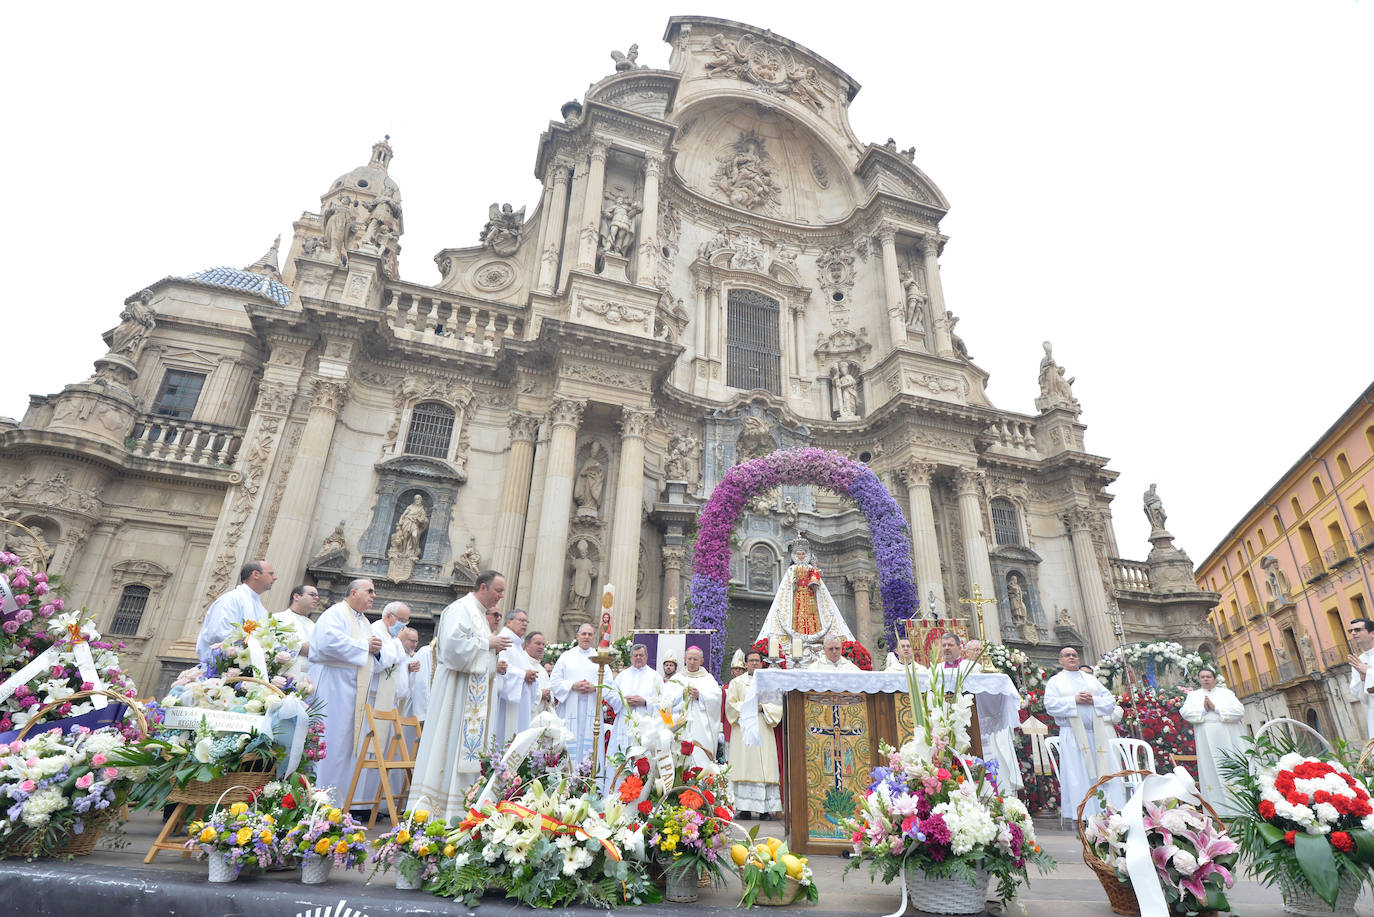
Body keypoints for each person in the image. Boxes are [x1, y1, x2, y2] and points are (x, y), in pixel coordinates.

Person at [411, 570, 511, 819]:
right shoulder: (461, 608)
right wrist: (488, 644)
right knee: (447, 746)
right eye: (498, 590)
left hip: (469, 694)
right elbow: (452, 648)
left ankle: (460, 808)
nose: (500, 596)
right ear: (484, 587)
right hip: (454, 695)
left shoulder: (477, 613)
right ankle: (437, 811)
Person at [307, 579, 383, 799]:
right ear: (353, 592)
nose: (373, 595)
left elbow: (373, 657)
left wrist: (375, 651)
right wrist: (365, 646)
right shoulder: (336, 613)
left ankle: (334, 802)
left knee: (344, 747)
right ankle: (316, 798)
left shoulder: (365, 622)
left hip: (353, 694)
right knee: (326, 741)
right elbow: (326, 644)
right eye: (370, 591)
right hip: (333, 687)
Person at [1045, 646, 1122, 820]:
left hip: (1097, 735)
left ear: (1078, 659)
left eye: (1074, 655)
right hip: (1072, 736)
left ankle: (1109, 810)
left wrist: (1093, 699)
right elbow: (1050, 706)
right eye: (1067, 655)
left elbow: (1110, 702)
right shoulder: (1055, 681)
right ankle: (1084, 813)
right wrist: (1074, 700)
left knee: (1104, 771)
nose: (1071, 657)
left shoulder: (1091, 680)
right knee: (1078, 774)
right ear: (1061, 660)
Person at [756, 538, 853, 656]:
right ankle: (796, 640)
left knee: (812, 617)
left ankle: (815, 638)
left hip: (811, 597)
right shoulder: (792, 569)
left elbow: (817, 581)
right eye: (799, 554)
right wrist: (794, 584)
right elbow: (786, 587)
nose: (801, 556)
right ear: (794, 555)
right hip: (796, 597)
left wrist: (814, 580)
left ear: (806, 555)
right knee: (797, 616)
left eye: (803, 554)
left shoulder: (811, 569)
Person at [1180, 667, 1245, 815]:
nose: (1205, 679)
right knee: (1210, 771)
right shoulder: (1193, 696)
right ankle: (1218, 810)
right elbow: (1184, 712)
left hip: (1228, 737)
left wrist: (1216, 709)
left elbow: (1239, 711)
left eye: (1208, 676)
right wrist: (1203, 710)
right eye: (1202, 677)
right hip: (1205, 740)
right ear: (1199, 679)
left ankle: (1240, 808)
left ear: (1214, 679)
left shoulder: (1226, 693)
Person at [726, 650, 782, 820]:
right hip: (744, 729)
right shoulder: (736, 683)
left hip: (763, 727)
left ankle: (765, 810)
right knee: (743, 766)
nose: (754, 663)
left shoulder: (769, 683)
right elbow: (730, 705)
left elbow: (777, 706)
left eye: (757, 660)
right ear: (745, 664)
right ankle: (744, 809)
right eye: (751, 661)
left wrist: (763, 708)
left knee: (764, 766)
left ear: (761, 662)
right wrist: (750, 706)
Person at [961, 638, 1021, 795]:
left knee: (998, 756)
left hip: (991, 722)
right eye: (975, 650)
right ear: (966, 653)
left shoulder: (990, 671)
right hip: (972, 722)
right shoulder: (963, 669)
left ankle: (1002, 790)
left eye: (982, 650)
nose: (979, 653)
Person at [197, 561, 277, 661]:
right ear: (256, 574)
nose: (275, 578)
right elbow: (217, 633)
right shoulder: (231, 599)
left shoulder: (260, 608)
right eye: (271, 574)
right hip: (221, 667)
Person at [605, 644, 663, 769]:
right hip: (624, 723)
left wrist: (645, 702)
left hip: (645, 725)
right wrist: (624, 700)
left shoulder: (655, 676)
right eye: (635, 655)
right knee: (621, 755)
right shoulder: (622, 676)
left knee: (643, 757)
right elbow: (611, 695)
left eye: (641, 655)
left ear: (646, 656)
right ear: (631, 658)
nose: (638, 658)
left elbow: (662, 701)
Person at [550, 623, 600, 768]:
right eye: (584, 634)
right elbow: (555, 681)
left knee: (588, 746)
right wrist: (572, 685)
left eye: (590, 634)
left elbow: (609, 684)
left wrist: (594, 687)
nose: (586, 637)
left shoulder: (599, 658)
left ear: (593, 637)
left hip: (591, 709)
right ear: (577, 636)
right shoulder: (566, 657)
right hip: (569, 708)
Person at [490, 609, 542, 748]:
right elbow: (501, 667)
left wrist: (530, 677)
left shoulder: (517, 645)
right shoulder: (504, 640)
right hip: (507, 705)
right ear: (509, 622)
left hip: (520, 702)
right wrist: (523, 675)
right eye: (521, 620)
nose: (525, 624)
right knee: (506, 737)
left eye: (526, 621)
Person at [664, 647, 722, 769]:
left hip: (700, 728)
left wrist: (700, 696)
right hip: (680, 726)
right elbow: (665, 702)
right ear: (685, 659)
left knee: (700, 758)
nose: (691, 662)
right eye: (689, 659)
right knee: (678, 758)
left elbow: (716, 699)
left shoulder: (708, 679)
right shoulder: (676, 679)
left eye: (695, 659)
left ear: (701, 661)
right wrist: (681, 695)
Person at [273, 584, 319, 675]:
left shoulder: (314, 626)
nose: (316, 598)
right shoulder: (277, 618)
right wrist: (300, 647)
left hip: (308, 677)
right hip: (284, 675)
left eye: (317, 596)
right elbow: (270, 646)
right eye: (312, 595)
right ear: (297, 596)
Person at [1346, 618, 1374, 739]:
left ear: (1372, 633)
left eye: (1357, 630)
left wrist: (1367, 671)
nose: (1353, 633)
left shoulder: (1361, 664)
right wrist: (1363, 679)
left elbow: (1367, 672)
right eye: (1350, 631)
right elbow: (1358, 695)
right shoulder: (1359, 660)